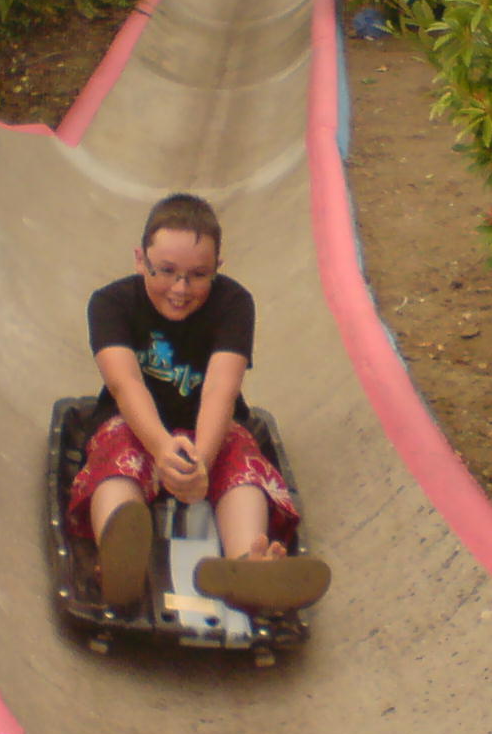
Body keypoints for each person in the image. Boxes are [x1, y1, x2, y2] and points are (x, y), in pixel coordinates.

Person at [67, 192, 331, 613]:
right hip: (137, 423)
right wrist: (161, 448)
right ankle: (118, 562)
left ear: (217, 269)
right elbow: (125, 384)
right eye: (166, 271)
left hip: (211, 427)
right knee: (118, 459)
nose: (180, 288)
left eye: (198, 276)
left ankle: (248, 566)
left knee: (242, 465)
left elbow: (220, 389)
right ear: (140, 260)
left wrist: (200, 463)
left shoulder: (233, 303)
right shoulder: (111, 303)